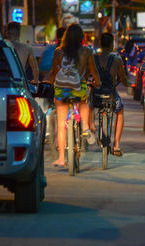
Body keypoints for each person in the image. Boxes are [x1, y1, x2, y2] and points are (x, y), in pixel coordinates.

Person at [49, 24, 101, 167]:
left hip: (61, 89)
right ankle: (85, 127)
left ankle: (61, 159)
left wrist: (49, 84)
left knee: (61, 125)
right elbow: (94, 71)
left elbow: (53, 72)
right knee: (84, 101)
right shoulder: (86, 52)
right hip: (78, 87)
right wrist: (97, 82)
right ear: (81, 38)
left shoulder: (58, 52)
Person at [91, 32, 128, 156]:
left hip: (96, 93)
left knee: (88, 105)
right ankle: (116, 145)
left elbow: (86, 75)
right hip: (111, 94)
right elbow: (123, 78)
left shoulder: (93, 58)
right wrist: (126, 83)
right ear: (112, 44)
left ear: (100, 44)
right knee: (120, 111)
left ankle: (91, 127)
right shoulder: (116, 59)